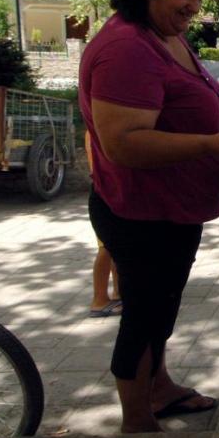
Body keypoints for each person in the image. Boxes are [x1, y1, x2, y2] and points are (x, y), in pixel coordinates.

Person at [79, 0, 219, 433]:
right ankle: (137, 424)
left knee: (162, 309)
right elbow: (124, 141)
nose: (194, 7)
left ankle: (159, 388)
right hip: (140, 212)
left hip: (171, 209)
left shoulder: (162, 33)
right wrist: (207, 144)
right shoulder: (125, 48)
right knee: (142, 317)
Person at [85, 130, 121, 318]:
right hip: (105, 194)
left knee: (116, 248)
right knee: (105, 248)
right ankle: (99, 300)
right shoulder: (94, 132)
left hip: (111, 192)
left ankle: (118, 293)